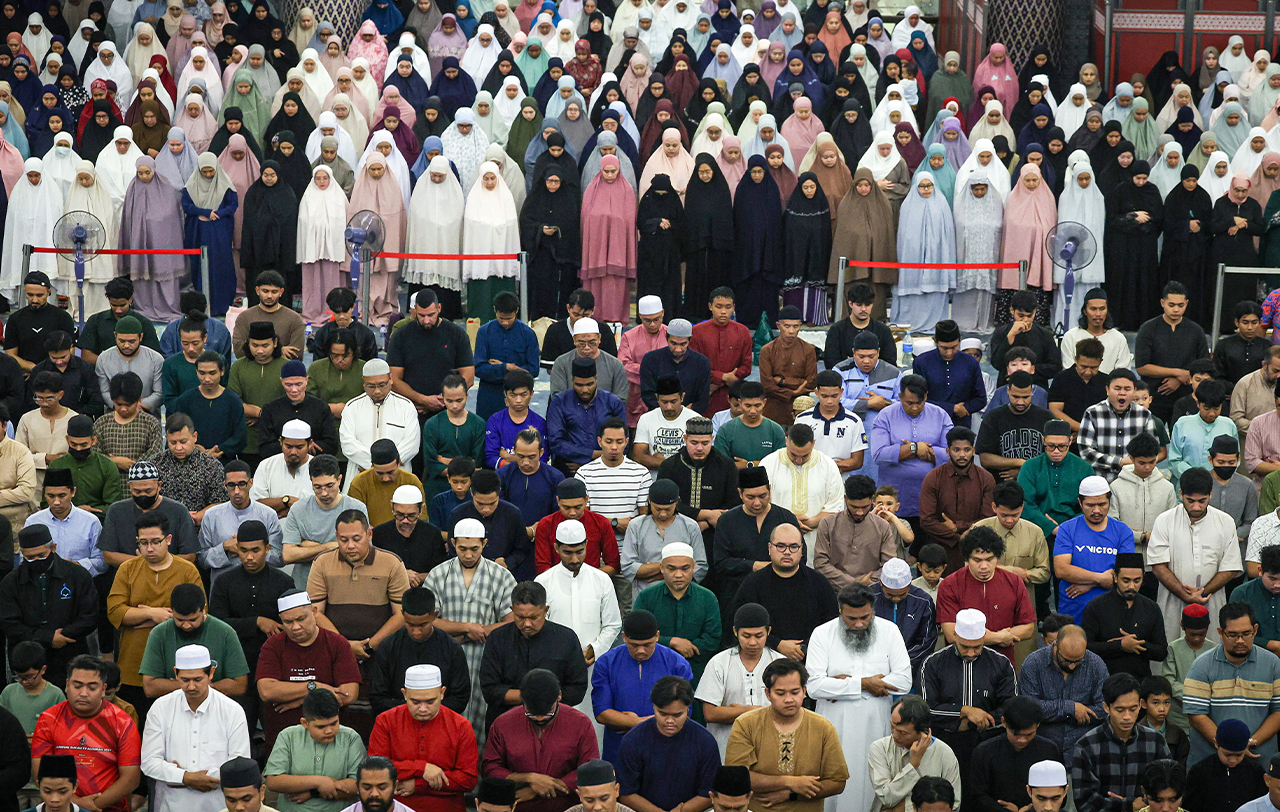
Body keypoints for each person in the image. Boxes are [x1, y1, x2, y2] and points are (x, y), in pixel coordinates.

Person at [806, 582, 912, 812]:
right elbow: (814, 686)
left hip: (875, 725)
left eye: (865, 617)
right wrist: (865, 683)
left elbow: (904, 681)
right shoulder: (822, 634)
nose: (859, 624)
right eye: (851, 618)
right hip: (834, 725)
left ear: (872, 610)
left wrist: (839, 684)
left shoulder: (889, 631)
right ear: (840, 611)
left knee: (871, 783)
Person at [423, 518, 518, 745]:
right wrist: (467, 628)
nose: (468, 555)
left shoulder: (501, 575)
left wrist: (485, 630)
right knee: (446, 718)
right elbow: (427, 620)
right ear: (452, 543)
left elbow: (513, 620)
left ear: (484, 543)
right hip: (446, 657)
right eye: (462, 548)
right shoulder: (438, 574)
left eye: (474, 549)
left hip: (487, 659)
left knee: (484, 717)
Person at [105, 510, 203, 718]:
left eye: (155, 542)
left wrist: (138, 617)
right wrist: (152, 614)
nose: (149, 548)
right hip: (133, 666)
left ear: (168, 539)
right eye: (143, 542)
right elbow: (115, 612)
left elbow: (199, 616)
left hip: (176, 669)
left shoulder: (187, 571)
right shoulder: (127, 569)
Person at [724, 658, 849, 812]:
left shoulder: (823, 727)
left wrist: (790, 795)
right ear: (768, 694)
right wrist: (790, 782)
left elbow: (837, 782)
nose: (789, 699)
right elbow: (735, 778)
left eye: (795, 692)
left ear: (804, 691)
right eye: (780, 693)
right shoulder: (746, 724)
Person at [535, 519, 623, 730]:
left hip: (593, 667)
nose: (574, 559)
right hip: (554, 669)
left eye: (579, 552)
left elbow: (613, 624)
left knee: (592, 726)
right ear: (556, 548)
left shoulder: (601, 580)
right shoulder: (543, 582)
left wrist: (594, 649)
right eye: (568, 552)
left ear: (587, 546)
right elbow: (539, 627)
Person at [207, 519, 292, 733]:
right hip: (235, 663)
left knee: (273, 726)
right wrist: (256, 622)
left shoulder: (283, 582)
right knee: (237, 727)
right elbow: (216, 623)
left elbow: (289, 625)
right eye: (243, 551)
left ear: (267, 548)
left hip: (272, 664)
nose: (249, 557)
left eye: (255, 550)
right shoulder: (224, 582)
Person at [30, 655, 142, 812]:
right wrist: (77, 805)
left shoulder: (122, 722)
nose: (83, 693)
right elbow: (40, 773)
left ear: (103, 689)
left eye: (92, 688)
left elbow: (131, 779)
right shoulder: (48, 719)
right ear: (67, 685)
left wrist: (93, 806)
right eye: (77, 686)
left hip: (109, 808)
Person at [256, 590, 362, 752]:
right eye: (288, 622)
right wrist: (314, 686)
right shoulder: (273, 646)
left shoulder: (337, 644)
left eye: (301, 619)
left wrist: (304, 698)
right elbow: (266, 691)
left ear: (314, 611)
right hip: (284, 743)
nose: (296, 627)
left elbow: (349, 694)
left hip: (330, 742)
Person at [1148, 467, 1244, 646]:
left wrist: (1202, 593)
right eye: (1190, 501)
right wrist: (1185, 595)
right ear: (1181, 494)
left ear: (1211, 494)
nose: (1196, 507)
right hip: (1173, 604)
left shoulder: (1225, 521)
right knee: (1171, 652)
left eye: (1202, 501)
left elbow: (1230, 567)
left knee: (1212, 652)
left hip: (1211, 603)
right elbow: (1158, 565)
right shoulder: (1165, 520)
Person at [481, 669, 600, 812]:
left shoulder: (581, 724)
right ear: (522, 699)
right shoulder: (502, 724)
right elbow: (490, 769)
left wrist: (538, 790)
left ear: (559, 696)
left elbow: (589, 770)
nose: (539, 719)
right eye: (531, 714)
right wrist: (529, 778)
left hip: (567, 807)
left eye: (548, 713)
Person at [367, 663, 479, 812]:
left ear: (442, 693)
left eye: (430, 702)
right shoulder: (386, 721)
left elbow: (468, 779)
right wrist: (422, 768)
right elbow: (376, 768)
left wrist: (417, 785)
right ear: (404, 694)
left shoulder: (461, 726)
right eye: (415, 702)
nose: (423, 709)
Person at [920, 608, 1017, 776]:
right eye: (965, 647)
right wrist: (964, 711)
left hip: (989, 744)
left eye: (977, 647)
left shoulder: (1001, 664)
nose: (971, 653)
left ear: (984, 638)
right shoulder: (933, 663)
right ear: (955, 636)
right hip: (944, 744)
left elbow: (1010, 708)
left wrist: (975, 722)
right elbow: (925, 709)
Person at [0, 524, 97, 688]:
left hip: (70, 655)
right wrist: (47, 638)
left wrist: (63, 636)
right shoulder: (11, 582)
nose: (37, 561)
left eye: (41, 555)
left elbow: (90, 616)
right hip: (28, 662)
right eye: (30, 557)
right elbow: (9, 623)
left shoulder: (77, 576)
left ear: (53, 548)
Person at [1183, 602, 1280, 766]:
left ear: (1255, 630)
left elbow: (1278, 712)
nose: (1240, 640)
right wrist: (1230, 746)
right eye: (1233, 635)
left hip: (1259, 764)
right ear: (1220, 632)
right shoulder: (1201, 666)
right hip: (1210, 764)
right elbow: (1196, 715)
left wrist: (1249, 743)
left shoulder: (1273, 664)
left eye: (1246, 633)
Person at [591, 610, 694, 763]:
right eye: (634, 645)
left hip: (665, 748)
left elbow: (685, 710)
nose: (641, 651)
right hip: (620, 749)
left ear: (657, 636)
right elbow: (602, 712)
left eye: (647, 645)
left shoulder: (677, 664)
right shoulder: (606, 663)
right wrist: (640, 723)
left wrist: (635, 723)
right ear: (624, 637)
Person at [732, 523, 839, 661]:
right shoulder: (752, 584)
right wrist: (777, 644)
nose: (787, 552)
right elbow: (741, 626)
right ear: (770, 548)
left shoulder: (819, 582)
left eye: (794, 547)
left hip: (812, 656)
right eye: (781, 546)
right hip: (764, 657)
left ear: (801, 549)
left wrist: (804, 647)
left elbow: (831, 624)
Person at [868, 375, 954, 548]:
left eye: (919, 403)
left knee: (927, 551)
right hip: (894, 500)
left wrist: (921, 451)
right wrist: (914, 448)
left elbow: (951, 453)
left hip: (931, 498)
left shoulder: (940, 415)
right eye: (909, 403)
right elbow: (878, 454)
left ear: (926, 397)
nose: (915, 407)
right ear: (900, 397)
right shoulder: (886, 416)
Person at [695, 603, 786, 758]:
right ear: (735, 632)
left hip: (772, 749)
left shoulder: (781, 664)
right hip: (726, 750)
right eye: (746, 636)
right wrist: (749, 711)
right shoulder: (719, 663)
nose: (752, 642)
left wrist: (733, 711)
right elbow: (710, 713)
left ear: (768, 632)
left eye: (759, 636)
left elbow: (790, 708)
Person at [616, 675, 719, 812]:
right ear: (653, 707)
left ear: (688, 709)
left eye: (677, 715)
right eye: (663, 714)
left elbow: (710, 792)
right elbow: (626, 792)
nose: (669, 721)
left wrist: (682, 810)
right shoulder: (633, 740)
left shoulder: (705, 741)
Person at [1071, 672, 1172, 812]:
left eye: (1133, 709)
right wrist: (1128, 805)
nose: (1127, 717)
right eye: (1120, 710)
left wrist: (1144, 802)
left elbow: (1169, 788)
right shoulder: (1087, 745)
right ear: (1106, 707)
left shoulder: (1155, 741)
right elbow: (1084, 801)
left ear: (1140, 705)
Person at [935, 526, 1036, 663]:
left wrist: (991, 637)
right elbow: (951, 634)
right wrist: (999, 638)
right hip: (961, 664)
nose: (984, 566)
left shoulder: (1014, 581)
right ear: (967, 558)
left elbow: (1028, 628)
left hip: (1002, 663)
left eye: (989, 559)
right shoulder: (949, 585)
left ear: (998, 557)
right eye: (977, 560)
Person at [137, 581, 249, 699]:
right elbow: (150, 687)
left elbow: (239, 685)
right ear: (172, 611)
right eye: (180, 620)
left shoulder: (225, 633)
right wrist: (203, 685)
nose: (186, 626)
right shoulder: (159, 634)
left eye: (193, 620)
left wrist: (175, 684)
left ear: (203, 610)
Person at [1018, 623, 1108, 766]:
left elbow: (1104, 709)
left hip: (1084, 751)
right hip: (1041, 751)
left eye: (1078, 661)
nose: (1072, 666)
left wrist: (1053, 713)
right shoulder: (1033, 664)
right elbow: (1030, 708)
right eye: (1066, 660)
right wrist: (1070, 708)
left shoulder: (1096, 665)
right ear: (1055, 647)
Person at [262, 689, 365, 812]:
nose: (329, 731)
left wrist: (313, 793)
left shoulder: (350, 738)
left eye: (334, 723)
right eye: (321, 726)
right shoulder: (288, 736)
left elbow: (358, 785)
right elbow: (273, 781)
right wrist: (318, 782)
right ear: (305, 723)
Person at [632, 541, 720, 681]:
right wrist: (671, 642)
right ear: (662, 568)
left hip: (697, 672)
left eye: (685, 568)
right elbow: (638, 634)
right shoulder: (646, 597)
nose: (678, 575)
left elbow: (713, 638)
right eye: (672, 569)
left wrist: (688, 649)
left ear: (694, 567)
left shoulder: (707, 598)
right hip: (654, 669)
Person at [388, 289, 477, 426]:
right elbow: (394, 379)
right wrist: (422, 400)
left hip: (448, 411)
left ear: (439, 308)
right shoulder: (401, 336)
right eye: (421, 315)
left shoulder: (456, 334)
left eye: (431, 315)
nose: (426, 320)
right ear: (414, 310)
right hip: (411, 411)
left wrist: (443, 400)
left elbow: (469, 376)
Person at [1053, 476, 1136, 623]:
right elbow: (1061, 569)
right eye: (1090, 505)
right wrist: (1100, 579)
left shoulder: (1123, 532)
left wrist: (1089, 584)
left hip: (1112, 612)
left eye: (1102, 504)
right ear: (1080, 503)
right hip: (1073, 612)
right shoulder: (1067, 529)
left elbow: (1126, 572)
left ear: (1110, 502)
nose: (1097, 510)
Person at [281, 455, 368, 589]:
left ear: (339, 480)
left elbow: (363, 551)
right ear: (311, 482)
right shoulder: (298, 509)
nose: (324, 493)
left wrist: (305, 546)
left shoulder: (356, 508)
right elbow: (288, 555)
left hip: (346, 586)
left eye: (329, 486)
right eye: (317, 487)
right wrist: (327, 547)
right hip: (306, 586)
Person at [866, 695, 964, 812]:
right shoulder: (879, 748)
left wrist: (904, 808)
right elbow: (886, 797)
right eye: (892, 727)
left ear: (922, 730)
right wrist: (913, 764)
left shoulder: (944, 753)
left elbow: (953, 804)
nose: (895, 735)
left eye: (902, 732)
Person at [967, 699, 1065, 812]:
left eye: (1029, 734)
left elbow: (1060, 793)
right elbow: (977, 796)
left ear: (1038, 725)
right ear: (1003, 722)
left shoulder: (1050, 750)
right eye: (1016, 734)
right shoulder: (984, 752)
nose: (1022, 740)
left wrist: (1031, 809)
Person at [1082, 552, 1168, 679]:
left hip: (1140, 681)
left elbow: (1161, 652)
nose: (1131, 586)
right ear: (1115, 577)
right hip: (1104, 680)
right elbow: (1085, 648)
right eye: (1126, 581)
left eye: (1137, 581)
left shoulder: (1151, 608)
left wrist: (1136, 645)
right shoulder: (1096, 607)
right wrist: (1119, 646)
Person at [1135, 282, 1210, 426]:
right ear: (1162, 303)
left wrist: (1180, 379)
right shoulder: (1148, 329)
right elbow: (1142, 367)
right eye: (1171, 305)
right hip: (1153, 397)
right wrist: (1177, 373)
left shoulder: (1196, 331)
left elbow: (1204, 365)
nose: (1176, 309)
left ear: (1186, 303)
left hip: (1187, 398)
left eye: (1180, 305)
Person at [341, 359, 423, 484]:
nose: (377, 391)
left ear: (391, 379)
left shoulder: (406, 406)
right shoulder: (352, 407)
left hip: (397, 475)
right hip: (361, 474)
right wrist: (372, 466)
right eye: (371, 386)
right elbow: (347, 443)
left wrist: (387, 467)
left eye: (382, 385)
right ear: (363, 383)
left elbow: (412, 444)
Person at [199, 462, 283, 577]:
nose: (237, 491)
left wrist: (249, 549)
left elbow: (279, 557)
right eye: (231, 485)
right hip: (224, 584)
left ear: (251, 483)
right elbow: (202, 559)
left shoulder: (268, 515)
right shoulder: (211, 516)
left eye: (242, 484)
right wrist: (224, 547)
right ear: (225, 485)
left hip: (261, 582)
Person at [813, 474, 896, 590]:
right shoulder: (828, 524)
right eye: (854, 507)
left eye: (865, 507)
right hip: (834, 591)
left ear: (872, 500)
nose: (859, 512)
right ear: (845, 499)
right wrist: (853, 583)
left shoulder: (882, 526)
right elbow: (820, 563)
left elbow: (890, 565)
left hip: (871, 591)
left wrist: (869, 581)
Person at [1108, 432, 1177, 572]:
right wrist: (1141, 537)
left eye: (1152, 462)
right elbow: (1112, 524)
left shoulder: (1167, 488)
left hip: (1159, 562)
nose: (1148, 467)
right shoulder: (1116, 487)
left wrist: (1156, 537)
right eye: (1142, 463)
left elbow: (1174, 523)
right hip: (1126, 559)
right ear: (1131, 459)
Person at [1078, 370, 1159, 481]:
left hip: (1135, 481)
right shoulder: (1093, 413)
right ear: (1107, 390)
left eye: (1127, 389)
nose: (1122, 393)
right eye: (1117, 388)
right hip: (1102, 482)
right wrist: (1120, 462)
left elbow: (1153, 450)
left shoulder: (1144, 414)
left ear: (1134, 391)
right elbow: (1086, 452)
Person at [474, 292, 540, 421]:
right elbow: (479, 368)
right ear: (495, 310)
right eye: (501, 318)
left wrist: (509, 368)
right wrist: (507, 367)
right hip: (489, 396)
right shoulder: (484, 332)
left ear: (517, 311)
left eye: (509, 318)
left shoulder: (528, 334)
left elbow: (533, 370)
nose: (505, 322)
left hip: (517, 396)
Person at [172, 351, 248, 462]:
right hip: (191, 462)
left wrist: (221, 449)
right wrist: (193, 446)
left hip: (224, 462)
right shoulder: (185, 400)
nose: (207, 379)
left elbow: (240, 436)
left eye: (212, 373)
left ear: (222, 371)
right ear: (196, 372)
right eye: (202, 373)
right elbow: (176, 431)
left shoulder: (233, 401)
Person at [691, 287, 754, 418]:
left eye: (728, 307)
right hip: (705, 394)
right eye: (719, 307)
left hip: (733, 396)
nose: (723, 312)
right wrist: (724, 377)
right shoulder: (697, 332)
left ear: (733, 307)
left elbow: (746, 366)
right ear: (710, 306)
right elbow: (694, 366)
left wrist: (726, 379)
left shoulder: (743, 332)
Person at [422, 374, 487, 501]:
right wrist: (464, 466)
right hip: (437, 488)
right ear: (442, 397)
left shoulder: (478, 424)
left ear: (467, 396)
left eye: (459, 400)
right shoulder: (432, 424)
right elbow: (431, 462)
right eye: (449, 401)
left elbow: (477, 461)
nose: (455, 406)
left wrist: (445, 460)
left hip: (468, 489)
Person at [913, 320, 988, 429]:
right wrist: (952, 408)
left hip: (961, 425)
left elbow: (981, 399)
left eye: (954, 347)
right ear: (935, 342)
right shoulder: (922, 362)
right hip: (930, 423)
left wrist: (965, 408)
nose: (949, 353)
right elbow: (918, 398)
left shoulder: (970, 362)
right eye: (944, 348)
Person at [257, 359, 340, 458]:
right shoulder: (270, 409)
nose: (294, 390)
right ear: (281, 381)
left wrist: (306, 447)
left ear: (307, 380)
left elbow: (332, 445)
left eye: (298, 384)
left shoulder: (321, 408)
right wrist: (296, 447)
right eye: (288, 385)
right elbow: (264, 447)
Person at [1182, 717, 1265, 812]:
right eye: (1227, 755)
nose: (1233, 760)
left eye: (1239, 755)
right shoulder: (1200, 771)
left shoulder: (1255, 772)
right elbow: (1189, 806)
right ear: (1216, 744)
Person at [372, 486, 447, 587]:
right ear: (392, 507)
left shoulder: (433, 534)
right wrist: (401, 574)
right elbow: (374, 570)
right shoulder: (379, 534)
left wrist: (418, 577)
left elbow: (442, 571)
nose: (405, 521)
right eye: (399, 515)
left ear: (421, 509)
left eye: (411, 516)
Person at [4, 273, 77, 374]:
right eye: (30, 295)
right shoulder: (15, 319)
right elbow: (10, 355)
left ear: (48, 292)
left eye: (39, 295)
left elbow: (70, 351)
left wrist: (49, 371)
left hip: (56, 373)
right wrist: (34, 369)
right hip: (25, 373)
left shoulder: (62, 317)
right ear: (25, 291)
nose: (34, 300)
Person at [638, 320, 712, 416]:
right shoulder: (651, 359)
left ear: (689, 341)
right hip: (658, 416)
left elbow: (703, 398)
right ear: (667, 338)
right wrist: (666, 410)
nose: (678, 349)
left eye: (683, 344)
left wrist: (685, 413)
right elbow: (647, 393)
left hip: (690, 417)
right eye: (674, 343)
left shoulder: (701, 363)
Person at [93, 316, 164, 414]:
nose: (126, 345)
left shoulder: (156, 359)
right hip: (113, 415)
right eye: (121, 341)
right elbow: (103, 391)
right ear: (115, 335)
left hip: (147, 414)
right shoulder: (103, 359)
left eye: (132, 341)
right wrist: (120, 406)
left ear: (141, 337)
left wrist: (136, 406)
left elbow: (160, 393)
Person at [347, 442, 427, 529]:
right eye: (380, 473)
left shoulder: (411, 481)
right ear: (372, 466)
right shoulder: (359, 483)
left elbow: (421, 520)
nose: (386, 478)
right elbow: (354, 519)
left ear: (399, 463)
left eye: (391, 472)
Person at [548, 319, 629, 403]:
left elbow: (621, 399)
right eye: (582, 343)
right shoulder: (562, 363)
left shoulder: (615, 365)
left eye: (592, 343)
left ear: (599, 339)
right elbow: (558, 399)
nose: (587, 347)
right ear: (574, 340)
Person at [231, 271, 306, 359]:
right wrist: (280, 350)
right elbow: (239, 350)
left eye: (274, 292)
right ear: (257, 290)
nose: (269, 296)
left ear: (281, 292)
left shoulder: (294, 318)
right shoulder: (244, 317)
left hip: (282, 366)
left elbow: (296, 353)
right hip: (251, 366)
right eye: (265, 291)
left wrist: (257, 350)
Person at [619, 296, 670, 428]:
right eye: (647, 320)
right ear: (640, 316)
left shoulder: (671, 335)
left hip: (666, 394)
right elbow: (624, 365)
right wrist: (649, 373)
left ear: (663, 313)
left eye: (656, 319)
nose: (652, 324)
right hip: (637, 395)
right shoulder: (629, 337)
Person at [251, 420, 316, 522]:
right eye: (288, 447)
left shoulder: (320, 467)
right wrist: (287, 500)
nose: (293, 452)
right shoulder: (266, 466)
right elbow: (256, 505)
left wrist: (292, 510)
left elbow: (326, 505)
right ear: (280, 442)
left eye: (299, 447)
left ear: (310, 444)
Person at [633, 377, 702, 470]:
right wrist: (671, 464)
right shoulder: (646, 419)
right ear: (657, 398)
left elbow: (701, 456)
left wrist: (660, 462)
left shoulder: (695, 420)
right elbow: (638, 457)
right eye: (664, 402)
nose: (669, 407)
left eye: (673, 402)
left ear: (682, 397)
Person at [485, 371, 548, 473]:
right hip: (502, 477)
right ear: (505, 394)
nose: (518, 400)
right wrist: (526, 460)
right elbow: (490, 457)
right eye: (513, 395)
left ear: (531, 393)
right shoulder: (495, 420)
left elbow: (542, 458)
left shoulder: (540, 423)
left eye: (523, 395)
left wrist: (509, 457)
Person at [823, 283, 898, 370]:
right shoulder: (837, 330)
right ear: (850, 304)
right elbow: (831, 363)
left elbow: (890, 363)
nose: (863, 309)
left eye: (867, 305)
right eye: (859, 305)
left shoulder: (883, 330)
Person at [713, 381, 786, 469]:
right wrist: (761, 464)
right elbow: (720, 465)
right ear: (740, 403)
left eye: (757, 405)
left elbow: (781, 463)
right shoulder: (725, 430)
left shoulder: (775, 430)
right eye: (748, 406)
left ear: (764, 402)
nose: (752, 411)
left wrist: (749, 464)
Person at [1048, 338, 1110, 434]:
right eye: (1083, 367)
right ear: (1076, 359)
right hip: (1068, 433)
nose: (1088, 372)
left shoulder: (1106, 381)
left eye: (1093, 367)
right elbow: (1055, 410)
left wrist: (1089, 432)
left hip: (1099, 433)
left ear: (1100, 362)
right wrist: (1082, 429)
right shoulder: (1061, 379)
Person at [1231, 347, 1280, 446]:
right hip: (1251, 445)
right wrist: (1264, 428)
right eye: (1275, 371)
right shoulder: (1245, 384)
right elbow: (1236, 420)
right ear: (1264, 365)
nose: (1279, 375)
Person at [1139, 676, 1189, 766]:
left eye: (1166, 702)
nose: (1162, 709)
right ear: (1144, 703)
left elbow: (1182, 766)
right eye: (1156, 703)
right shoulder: (1135, 733)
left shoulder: (1178, 733)